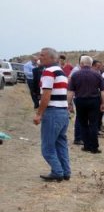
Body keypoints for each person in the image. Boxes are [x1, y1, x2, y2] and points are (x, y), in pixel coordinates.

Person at [33, 47, 70, 182]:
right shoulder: (61, 72)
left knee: (47, 147)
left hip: (53, 112)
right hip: (63, 112)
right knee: (61, 144)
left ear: (52, 58)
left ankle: (57, 172)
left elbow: (46, 95)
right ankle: (66, 171)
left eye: (42, 55)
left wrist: (39, 114)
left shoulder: (48, 72)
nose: (39, 57)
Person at [67, 56, 104, 154]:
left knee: (83, 124)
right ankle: (94, 147)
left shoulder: (75, 75)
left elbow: (71, 91)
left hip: (80, 101)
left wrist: (69, 103)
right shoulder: (97, 75)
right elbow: (103, 91)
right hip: (94, 101)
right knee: (93, 124)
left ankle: (86, 146)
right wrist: (103, 103)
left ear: (81, 64)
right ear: (91, 64)